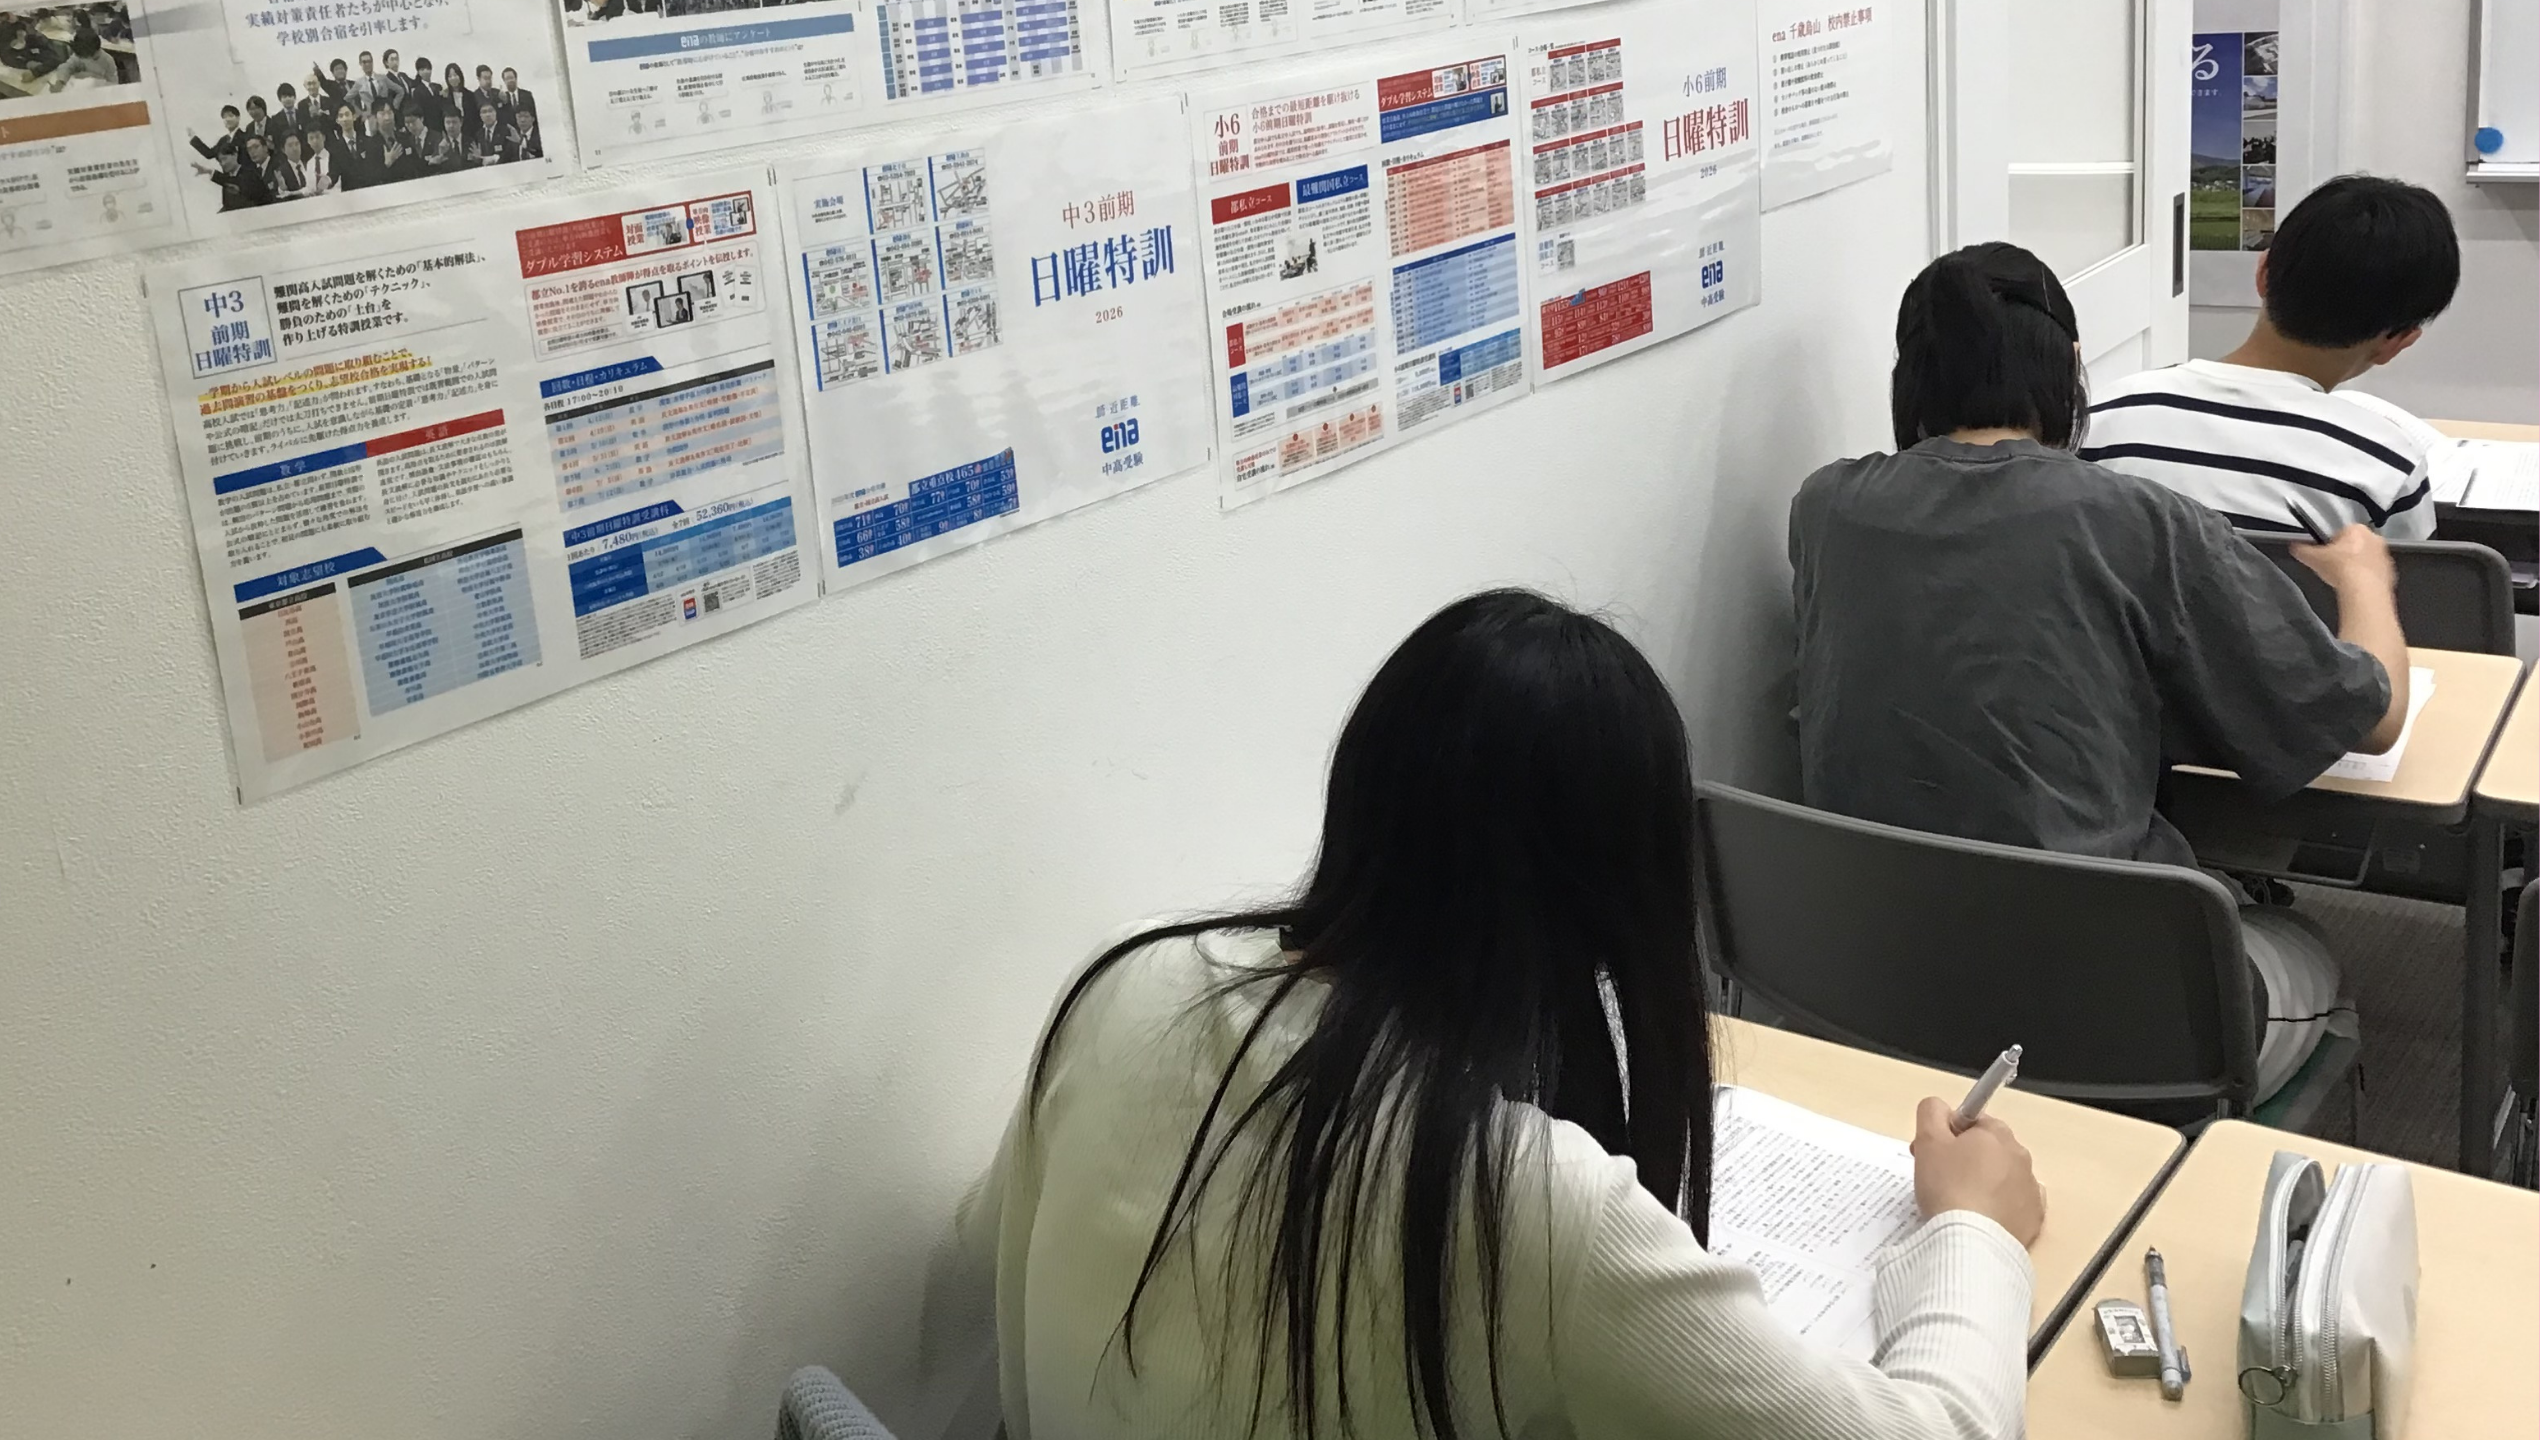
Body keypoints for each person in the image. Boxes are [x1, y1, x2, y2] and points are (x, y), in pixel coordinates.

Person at [975, 589, 2047, 1440]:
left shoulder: (1127, 982)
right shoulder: (1526, 1205)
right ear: (1616, 905)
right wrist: (1974, 1227)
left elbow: (1005, 1273)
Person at [1789, 243, 2409, 1104]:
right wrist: (2365, 578)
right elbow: (2369, 717)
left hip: (1866, 991)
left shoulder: (1823, 506)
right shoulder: (2139, 520)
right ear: (2071, 366)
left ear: (1911, 377)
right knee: (2304, 945)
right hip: (2096, 1018)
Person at [2080, 176, 2462, 541]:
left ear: (2263, 273)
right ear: (2398, 342)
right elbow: (2412, 580)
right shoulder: (2387, 464)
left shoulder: (2105, 413)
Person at [42, 26, 119, 90]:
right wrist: (60, 82)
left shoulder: (108, 60)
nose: (83, 57)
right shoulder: (79, 55)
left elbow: (113, 84)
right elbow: (67, 66)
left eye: (85, 55)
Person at [266, 131, 309, 201]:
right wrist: (282, 189)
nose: (295, 148)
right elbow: (276, 196)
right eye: (290, 145)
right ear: (283, 150)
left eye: (297, 144)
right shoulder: (281, 172)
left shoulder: (310, 164)